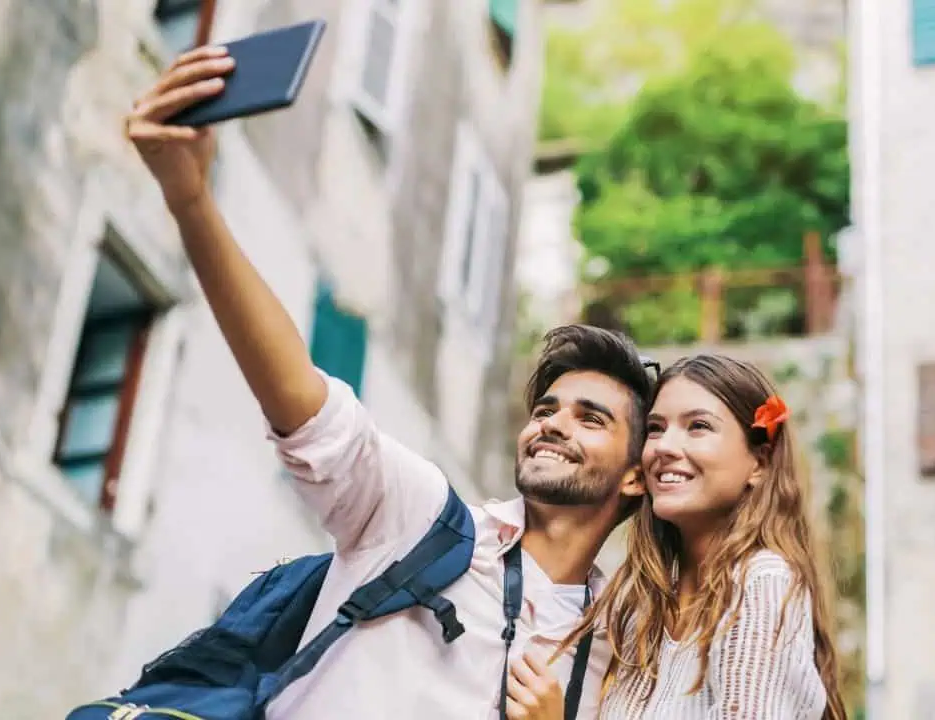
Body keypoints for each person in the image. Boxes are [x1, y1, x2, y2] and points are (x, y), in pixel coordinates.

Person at [123, 46, 655, 719]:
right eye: (546, 407)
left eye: (591, 418)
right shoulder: (419, 518)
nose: (552, 422)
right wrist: (192, 199)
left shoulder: (618, 654)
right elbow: (298, 397)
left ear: (637, 476)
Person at [504, 354, 848, 719]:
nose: (664, 447)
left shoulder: (761, 582)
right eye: (655, 428)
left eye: (698, 426)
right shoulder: (640, 608)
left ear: (759, 464)